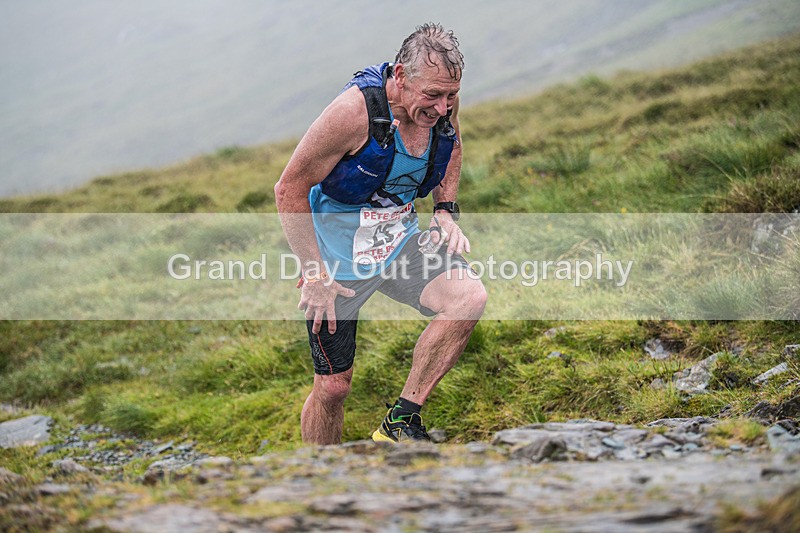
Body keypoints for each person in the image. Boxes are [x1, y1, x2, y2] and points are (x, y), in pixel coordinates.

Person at [274, 23, 487, 445]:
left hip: (400, 242)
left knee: (468, 298)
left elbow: (453, 142)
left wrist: (444, 210)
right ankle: (324, 479)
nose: (443, 107)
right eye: (433, 96)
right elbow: (289, 188)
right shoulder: (352, 114)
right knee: (333, 388)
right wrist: (314, 274)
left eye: (451, 95)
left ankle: (400, 421)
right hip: (337, 260)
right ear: (401, 77)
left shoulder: (442, 106)